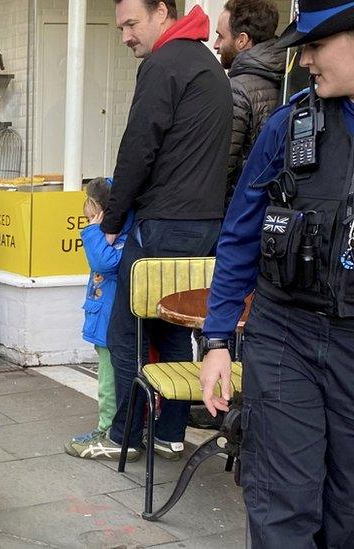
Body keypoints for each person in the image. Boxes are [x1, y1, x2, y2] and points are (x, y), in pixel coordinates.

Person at [200, 1, 354, 544]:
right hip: (285, 333)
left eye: (316, 45)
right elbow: (240, 234)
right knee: (281, 509)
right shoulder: (290, 128)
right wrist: (217, 339)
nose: (304, 60)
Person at [69, 0, 231, 463]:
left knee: (128, 335)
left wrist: (114, 225)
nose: (125, 37)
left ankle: (124, 435)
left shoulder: (164, 63)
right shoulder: (207, 63)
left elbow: (137, 149)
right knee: (176, 330)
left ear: (162, 11)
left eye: (131, 24)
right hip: (204, 227)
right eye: (121, 27)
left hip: (161, 225)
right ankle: (169, 432)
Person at [64, 178, 133, 457]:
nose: (88, 218)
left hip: (110, 324)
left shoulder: (117, 238)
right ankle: (113, 425)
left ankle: (108, 428)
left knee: (108, 382)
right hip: (104, 320)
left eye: (91, 212)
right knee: (110, 378)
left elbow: (104, 263)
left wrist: (93, 231)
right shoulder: (115, 236)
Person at [213, 0, 285, 202]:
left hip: (242, 205)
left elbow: (223, 167)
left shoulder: (237, 88)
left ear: (242, 40)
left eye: (220, 35)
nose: (216, 44)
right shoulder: (286, 72)